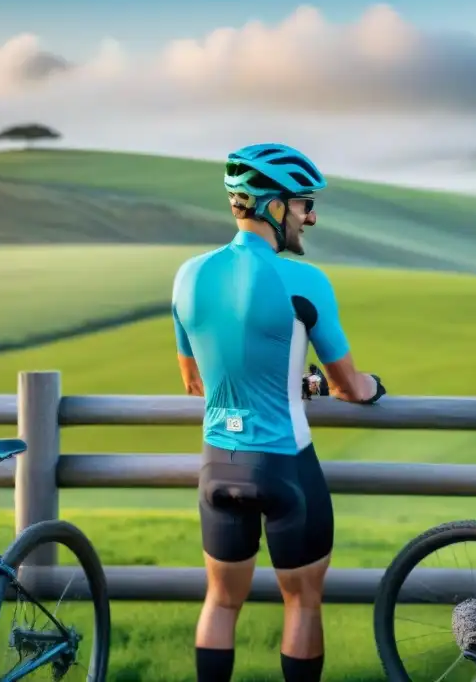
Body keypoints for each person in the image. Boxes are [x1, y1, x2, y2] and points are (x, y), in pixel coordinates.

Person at [170, 143, 386, 682]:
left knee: (220, 602)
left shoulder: (188, 276)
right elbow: (350, 386)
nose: (310, 217)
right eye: (303, 205)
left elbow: (194, 381)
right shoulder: (304, 282)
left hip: (218, 464)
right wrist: (368, 386)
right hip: (284, 465)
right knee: (303, 604)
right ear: (272, 206)